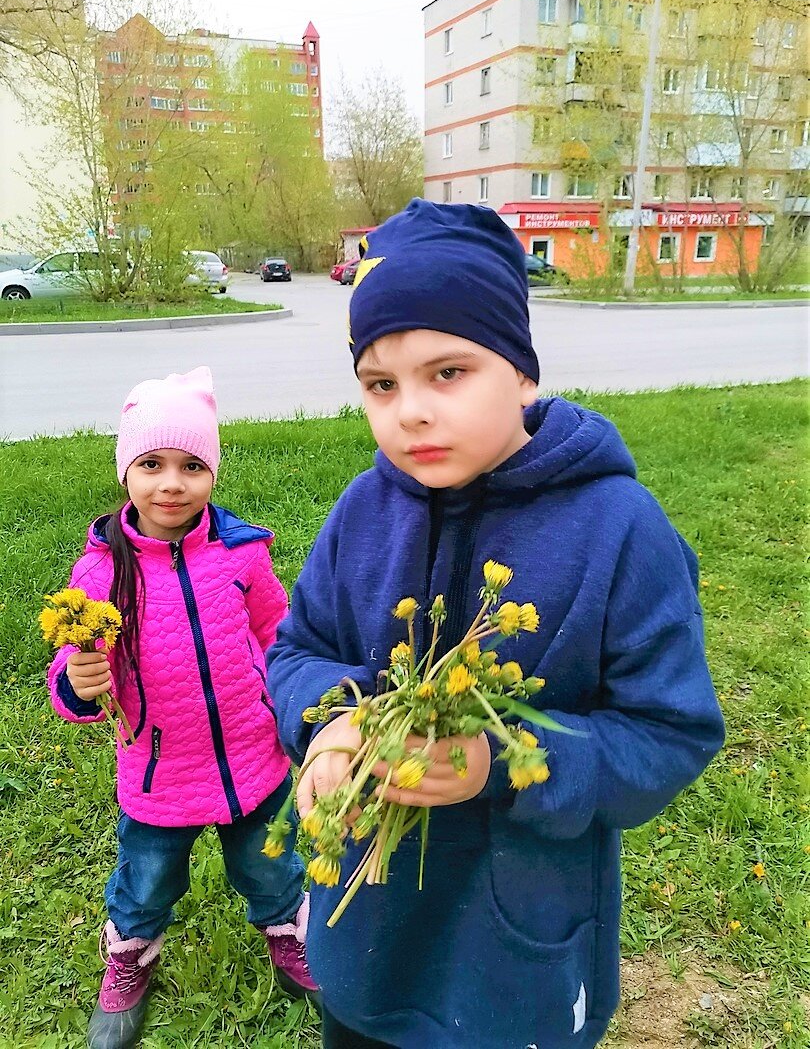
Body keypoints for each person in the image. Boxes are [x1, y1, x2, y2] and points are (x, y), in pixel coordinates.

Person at [267, 200, 725, 1049]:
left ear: (521, 371)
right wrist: (329, 726)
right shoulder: (363, 512)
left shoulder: (620, 531)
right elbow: (297, 649)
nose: (409, 412)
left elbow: (669, 733)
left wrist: (505, 763)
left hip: (516, 963)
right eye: (380, 384)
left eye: (449, 372)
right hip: (361, 935)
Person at [47, 367, 318, 1049]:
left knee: (271, 866)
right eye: (152, 464)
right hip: (158, 772)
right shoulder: (102, 573)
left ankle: (290, 937)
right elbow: (75, 673)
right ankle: (132, 954)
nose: (171, 483)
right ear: (125, 472)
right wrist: (79, 679)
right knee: (147, 877)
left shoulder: (242, 554)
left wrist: (290, 704)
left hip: (254, 755)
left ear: (213, 474)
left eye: (192, 465)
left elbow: (276, 633)